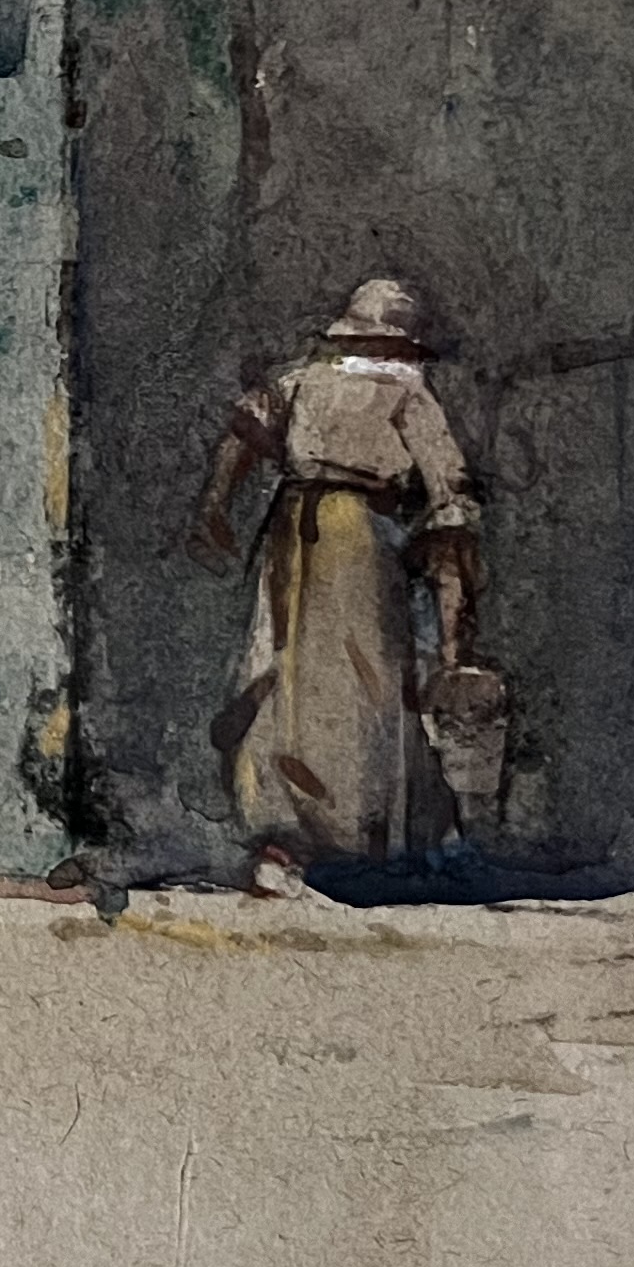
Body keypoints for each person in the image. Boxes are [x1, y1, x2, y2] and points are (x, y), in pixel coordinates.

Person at [188, 276, 486, 893]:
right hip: (355, 536)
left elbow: (242, 435)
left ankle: (289, 836)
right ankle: (355, 840)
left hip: (296, 528)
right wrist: (452, 560)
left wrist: (216, 504)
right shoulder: (405, 391)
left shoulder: (303, 381)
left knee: (290, 674)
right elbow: (449, 491)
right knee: (359, 682)